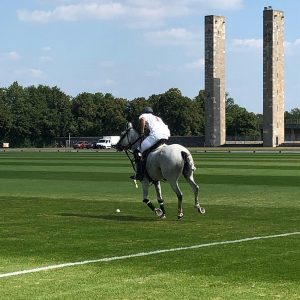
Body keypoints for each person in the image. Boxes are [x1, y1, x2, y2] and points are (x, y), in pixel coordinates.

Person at [131, 107, 170, 180]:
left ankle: (139, 174)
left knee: (137, 151)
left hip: (156, 135)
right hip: (166, 135)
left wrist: (142, 132)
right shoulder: (158, 117)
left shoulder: (144, 115)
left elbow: (142, 120)